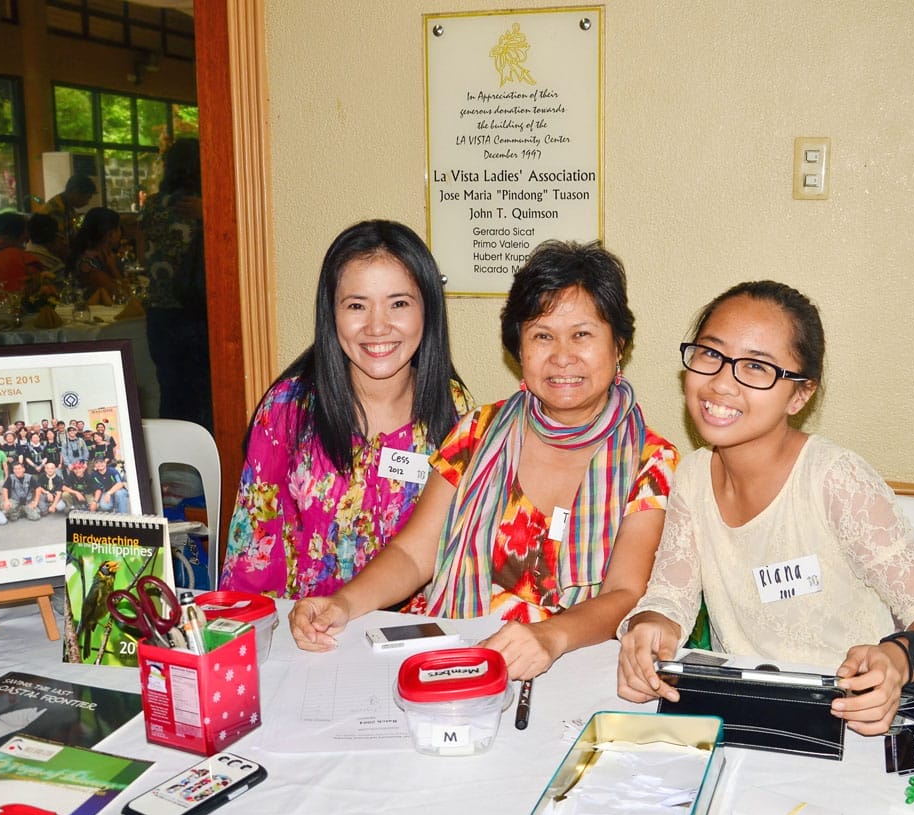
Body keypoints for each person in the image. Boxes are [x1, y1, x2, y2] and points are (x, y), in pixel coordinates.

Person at [290, 240, 679, 682]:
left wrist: (550, 637)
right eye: (542, 336)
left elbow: (626, 593)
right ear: (519, 350)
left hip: (575, 667)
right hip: (459, 659)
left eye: (582, 334)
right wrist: (343, 603)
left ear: (619, 345)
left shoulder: (651, 460)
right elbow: (414, 554)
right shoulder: (477, 431)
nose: (562, 355)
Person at [616, 281, 914, 735]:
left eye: (756, 367)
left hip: (851, 716)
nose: (722, 383)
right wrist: (652, 626)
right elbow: (670, 593)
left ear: (800, 394)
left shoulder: (834, 480)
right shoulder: (691, 477)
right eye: (710, 354)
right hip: (748, 714)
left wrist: (897, 660)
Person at [221, 219, 472, 599]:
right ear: (331, 313)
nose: (377, 327)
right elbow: (251, 557)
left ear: (428, 310)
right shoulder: (289, 411)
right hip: (309, 641)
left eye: (399, 304)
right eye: (356, 305)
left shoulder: (457, 414)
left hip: (416, 644)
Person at [139, 138, 213, 428]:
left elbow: (144, 256)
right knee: (204, 392)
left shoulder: (153, 206)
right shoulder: (205, 206)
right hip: (196, 308)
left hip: (159, 311)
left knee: (171, 389)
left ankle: (172, 459)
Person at [69, 207, 126, 301]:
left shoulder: (105, 256)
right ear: (109, 233)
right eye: (118, 228)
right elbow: (120, 295)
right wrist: (113, 268)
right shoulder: (87, 263)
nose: (121, 233)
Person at [35, 173, 96, 257]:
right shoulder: (56, 210)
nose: (87, 203)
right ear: (75, 192)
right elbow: (58, 247)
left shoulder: (67, 207)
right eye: (87, 198)